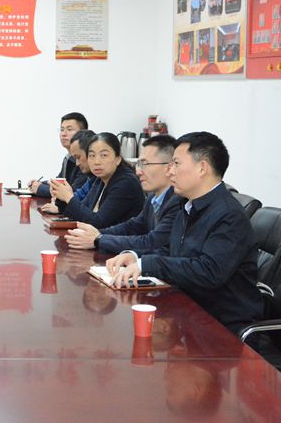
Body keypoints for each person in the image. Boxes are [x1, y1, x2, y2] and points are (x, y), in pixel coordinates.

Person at [106, 132, 263, 334]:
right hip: (188, 312)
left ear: (202, 168)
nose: (170, 171)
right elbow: (173, 251)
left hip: (221, 326)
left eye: (176, 164)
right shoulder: (187, 206)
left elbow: (209, 271)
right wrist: (136, 257)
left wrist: (148, 264)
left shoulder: (229, 215)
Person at [65, 135, 181, 254]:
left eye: (145, 164)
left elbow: (151, 242)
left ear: (169, 167)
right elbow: (133, 226)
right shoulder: (153, 198)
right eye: (139, 164)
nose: (138, 172)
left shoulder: (178, 202)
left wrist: (99, 239)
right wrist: (97, 234)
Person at [48, 132, 143, 228]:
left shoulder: (126, 182)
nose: (97, 162)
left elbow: (97, 222)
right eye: (92, 156)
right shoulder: (100, 179)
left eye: (104, 155)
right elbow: (82, 211)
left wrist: (69, 197)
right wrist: (61, 196)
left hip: (118, 237)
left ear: (118, 159)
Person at [30, 112, 88, 196]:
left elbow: (72, 192)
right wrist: (39, 183)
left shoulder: (85, 159)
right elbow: (59, 182)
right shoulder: (68, 157)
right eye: (62, 129)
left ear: (83, 133)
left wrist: (40, 188)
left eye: (69, 129)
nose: (63, 134)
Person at [40, 129, 95, 214]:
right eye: (62, 129)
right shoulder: (92, 178)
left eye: (69, 129)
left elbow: (95, 218)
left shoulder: (103, 180)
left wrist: (67, 198)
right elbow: (77, 199)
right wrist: (61, 198)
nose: (77, 163)